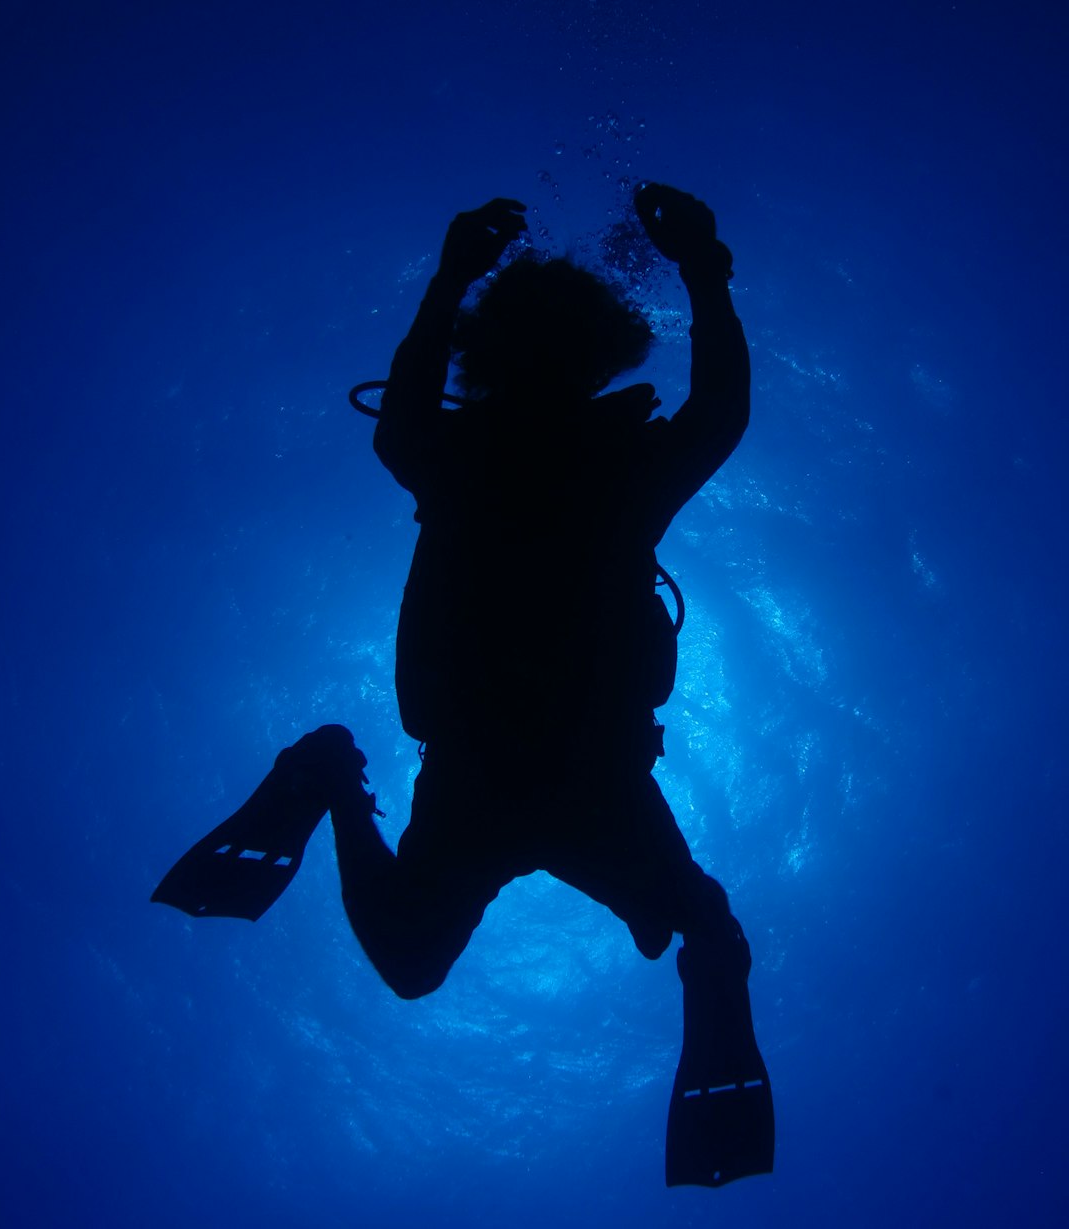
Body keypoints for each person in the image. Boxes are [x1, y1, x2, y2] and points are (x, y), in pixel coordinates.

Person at [153, 183, 773, 1187]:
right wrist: (701, 270)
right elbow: (720, 411)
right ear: (600, 361)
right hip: (577, 771)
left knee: (418, 963)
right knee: (701, 927)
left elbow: (400, 416)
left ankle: (328, 781)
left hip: (510, 765)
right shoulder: (607, 470)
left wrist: (451, 281)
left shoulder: (459, 457)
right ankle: (329, 785)